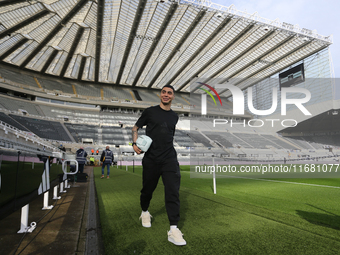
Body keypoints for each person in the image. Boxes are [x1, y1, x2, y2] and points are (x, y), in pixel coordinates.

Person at [132, 84, 186, 246]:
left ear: (173, 96)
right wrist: (134, 144)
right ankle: (145, 211)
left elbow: (169, 135)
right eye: (164, 92)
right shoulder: (150, 112)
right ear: (160, 95)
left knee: (173, 191)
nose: (166, 95)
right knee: (147, 190)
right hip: (151, 158)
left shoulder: (174, 117)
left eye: (169, 93)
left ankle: (173, 229)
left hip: (169, 158)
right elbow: (136, 127)